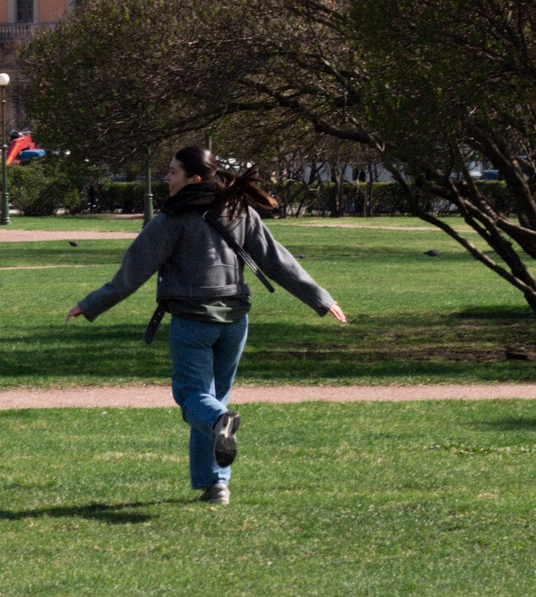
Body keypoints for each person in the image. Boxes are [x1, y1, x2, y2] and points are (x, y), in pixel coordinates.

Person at [65, 146, 345, 505]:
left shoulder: (170, 220)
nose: (166, 178)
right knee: (213, 401)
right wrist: (321, 298)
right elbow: (278, 261)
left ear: (195, 179)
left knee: (195, 400)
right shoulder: (239, 212)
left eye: (172, 172)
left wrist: (88, 305)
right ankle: (216, 486)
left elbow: (130, 276)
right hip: (235, 322)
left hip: (193, 322)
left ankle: (219, 428)